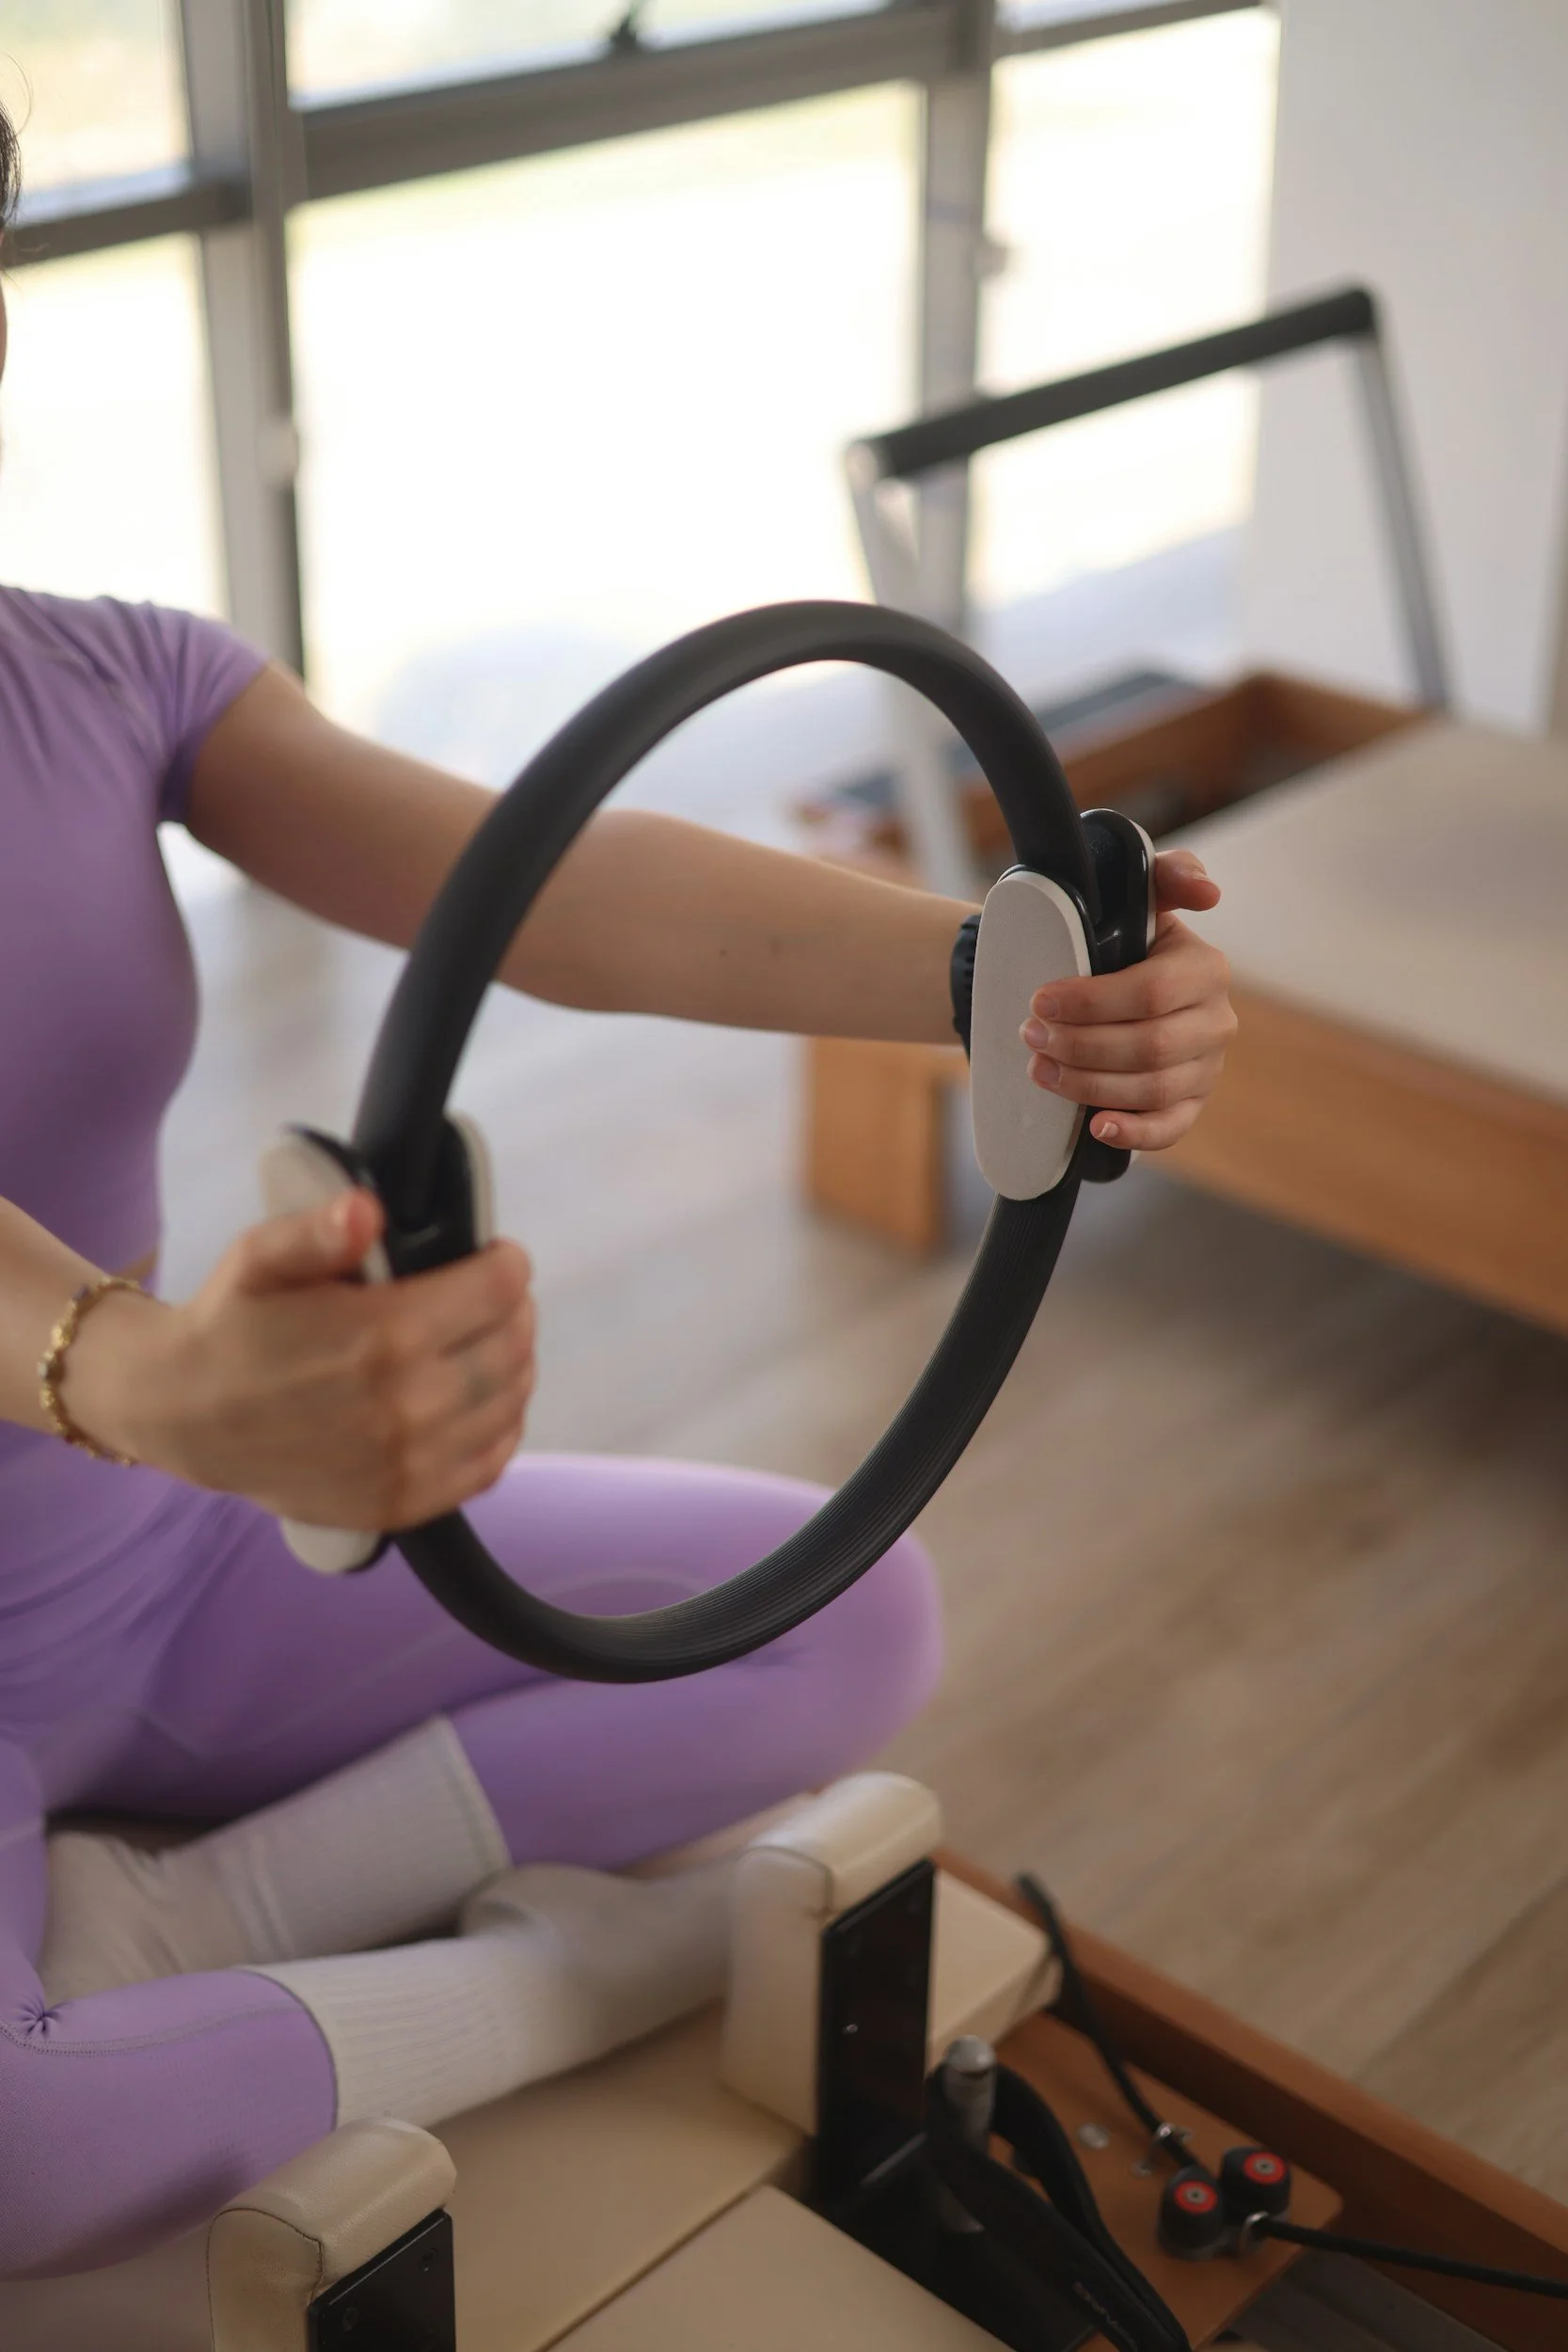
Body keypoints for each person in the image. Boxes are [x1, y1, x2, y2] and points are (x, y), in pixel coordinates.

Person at [0, 103, 1236, 2280]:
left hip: (157, 1571)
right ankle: (584, 1972)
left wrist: (994, 978)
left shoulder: (100, 674)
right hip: (156, 1443)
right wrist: (155, 1365)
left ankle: (189, 1919)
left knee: (852, 1608)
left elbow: (538, 885)